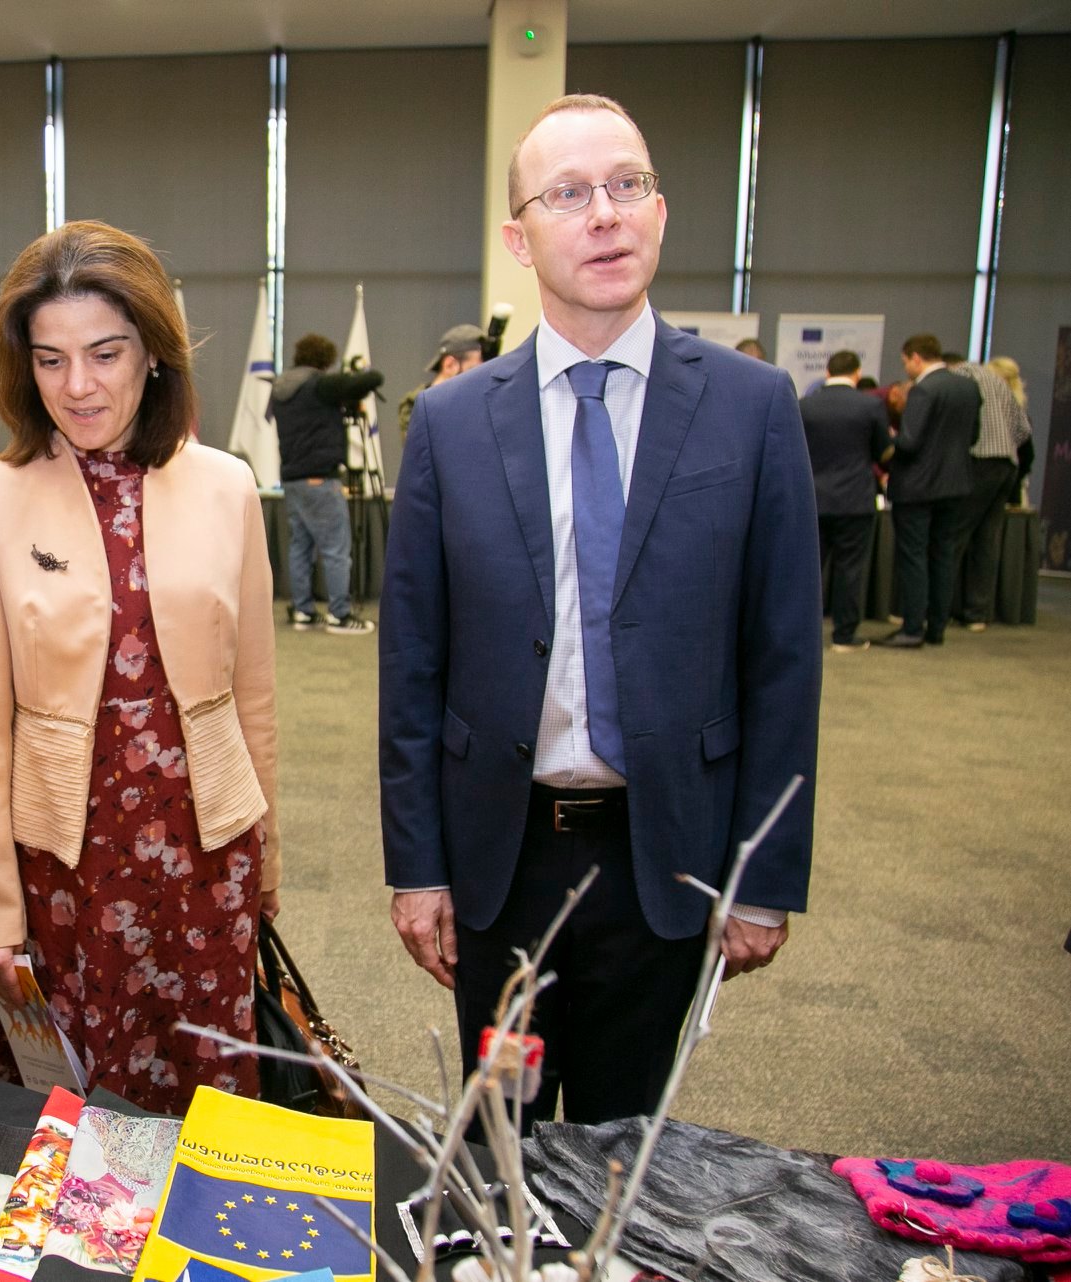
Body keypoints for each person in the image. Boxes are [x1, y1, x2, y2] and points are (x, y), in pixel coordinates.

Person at [380, 94, 821, 1127]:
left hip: (667, 848)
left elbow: (783, 658)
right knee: (500, 1131)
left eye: (628, 185)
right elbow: (412, 665)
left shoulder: (751, 407)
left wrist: (763, 875)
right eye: (569, 194)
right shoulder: (449, 422)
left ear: (659, 211)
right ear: (518, 239)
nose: (605, 214)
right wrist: (416, 868)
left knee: (625, 1146)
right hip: (501, 853)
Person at [0, 220, 280, 1113]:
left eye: (105, 353)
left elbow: (254, 695)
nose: (78, 386)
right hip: (65, 861)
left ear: (153, 353)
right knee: (73, 1114)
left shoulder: (227, 486)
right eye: (50, 360)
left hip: (207, 851)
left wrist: (267, 865)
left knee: (205, 1106)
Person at [269, 333, 382, 635]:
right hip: (321, 478)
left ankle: (303, 611)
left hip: (292, 479)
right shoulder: (319, 384)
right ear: (325, 360)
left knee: (300, 547)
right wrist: (358, 371)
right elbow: (372, 380)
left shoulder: (281, 389)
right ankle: (339, 614)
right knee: (335, 549)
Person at [883, 333, 980, 649]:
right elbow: (973, 436)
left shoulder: (924, 389)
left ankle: (912, 628)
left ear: (915, 357)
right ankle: (937, 627)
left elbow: (910, 442)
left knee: (914, 558)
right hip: (955, 485)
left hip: (917, 488)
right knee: (944, 555)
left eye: (905, 362)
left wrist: (887, 440)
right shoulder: (968, 387)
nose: (905, 369)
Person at [799, 349, 892, 651]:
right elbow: (883, 452)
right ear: (857, 373)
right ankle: (844, 635)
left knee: (807, 571)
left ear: (827, 372)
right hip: (855, 499)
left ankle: (800, 635)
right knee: (850, 569)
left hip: (813, 499)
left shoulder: (804, 406)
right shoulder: (871, 405)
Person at [943, 352, 1031, 631]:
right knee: (986, 540)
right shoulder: (996, 381)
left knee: (953, 536)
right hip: (1007, 467)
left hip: (980, 462)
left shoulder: (959, 378)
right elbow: (1023, 430)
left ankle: (938, 610)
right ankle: (976, 614)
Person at [398, 323, 487, 442]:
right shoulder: (415, 406)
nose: (479, 378)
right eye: (474, 370)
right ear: (450, 365)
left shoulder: (479, 402)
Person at [988, 356, 1035, 507]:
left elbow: (1026, 456)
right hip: (1009, 488)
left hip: (1004, 493)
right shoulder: (1020, 415)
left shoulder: (1015, 417)